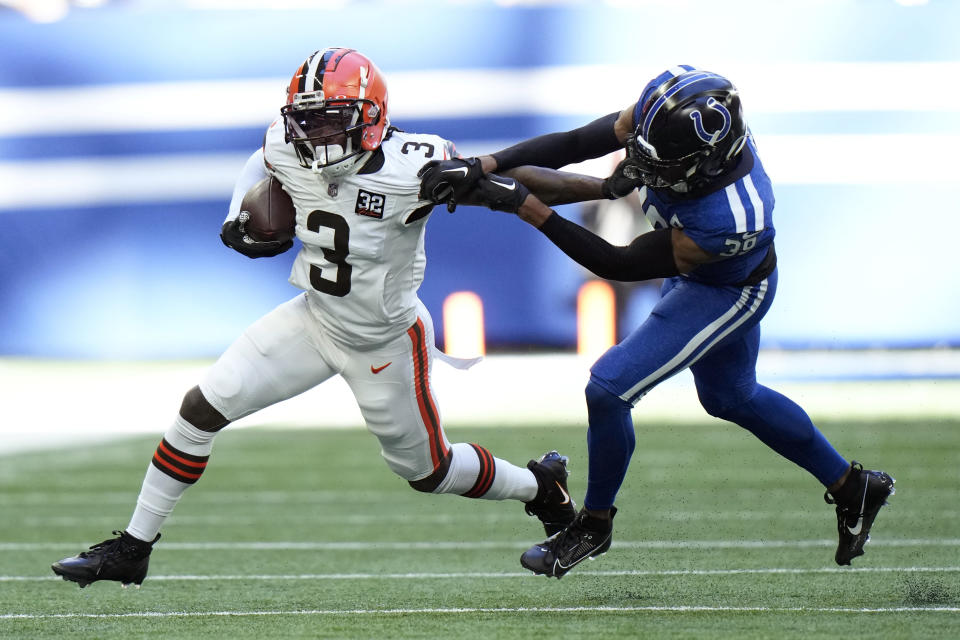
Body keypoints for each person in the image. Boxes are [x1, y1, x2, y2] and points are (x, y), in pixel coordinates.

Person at [50, 48, 575, 589]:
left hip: (385, 340)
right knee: (200, 409)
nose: (317, 135)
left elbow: (519, 180)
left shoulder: (418, 164)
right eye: (307, 120)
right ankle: (133, 549)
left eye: (331, 119)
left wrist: (602, 188)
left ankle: (540, 487)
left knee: (429, 472)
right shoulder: (285, 144)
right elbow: (263, 160)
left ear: (372, 118)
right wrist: (238, 214)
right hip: (316, 317)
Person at [418, 65, 895, 579]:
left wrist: (526, 206)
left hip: (727, 288)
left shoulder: (732, 216)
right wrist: (483, 165)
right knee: (730, 397)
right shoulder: (667, 113)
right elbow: (576, 142)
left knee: (608, 388)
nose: (641, 158)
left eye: (659, 159)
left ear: (707, 163)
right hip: (694, 268)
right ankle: (852, 485)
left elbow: (618, 265)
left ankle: (593, 525)